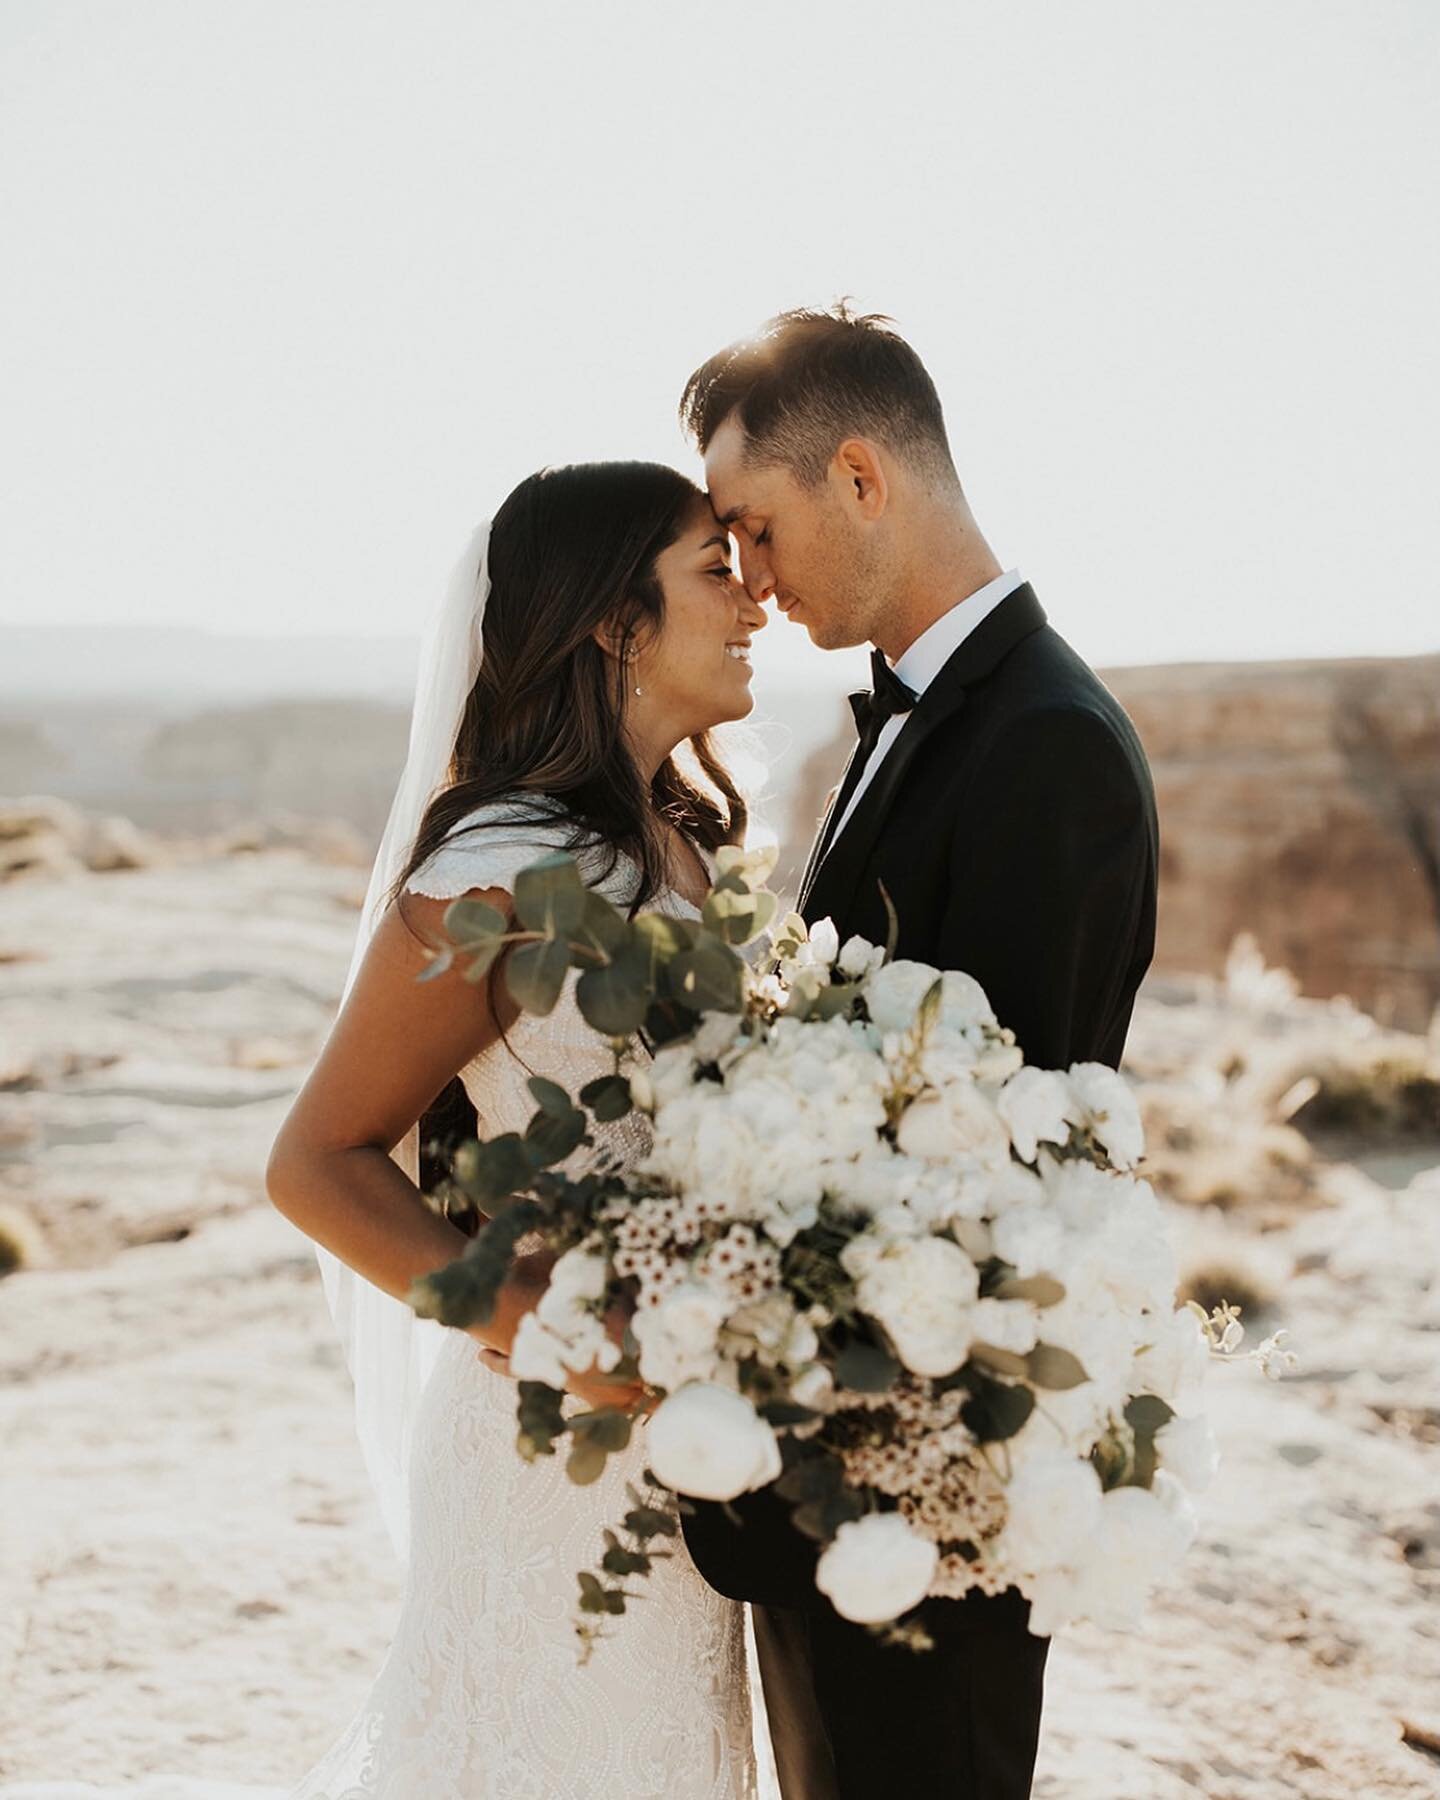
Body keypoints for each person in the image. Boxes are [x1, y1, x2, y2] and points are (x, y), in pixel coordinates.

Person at [676, 305, 1160, 1800]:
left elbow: (980, 1159)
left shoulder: (1045, 742)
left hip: (923, 1493)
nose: (747, 577)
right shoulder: (918, 711)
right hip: (831, 1473)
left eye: (757, 527)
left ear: (864, 477)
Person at [265, 460, 767, 1798]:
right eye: (714, 571)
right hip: (549, 1453)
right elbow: (317, 1161)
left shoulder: (681, 847)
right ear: (616, 622)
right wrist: (544, 1330)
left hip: (684, 1459)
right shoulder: (504, 865)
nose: (754, 603)